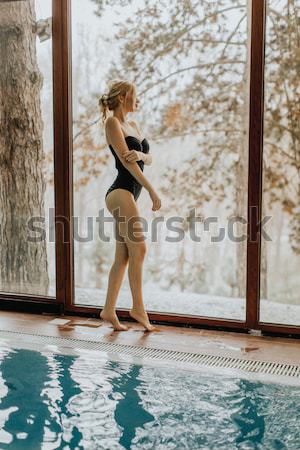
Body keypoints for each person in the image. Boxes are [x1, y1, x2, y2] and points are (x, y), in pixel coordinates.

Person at [99, 80, 161, 332]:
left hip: (128, 195)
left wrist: (143, 155)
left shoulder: (133, 124)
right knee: (141, 249)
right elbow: (127, 164)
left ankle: (108, 310)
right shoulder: (112, 123)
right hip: (121, 192)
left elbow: (149, 157)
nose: (139, 101)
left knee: (123, 256)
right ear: (124, 97)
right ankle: (138, 308)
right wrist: (151, 189)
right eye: (136, 96)